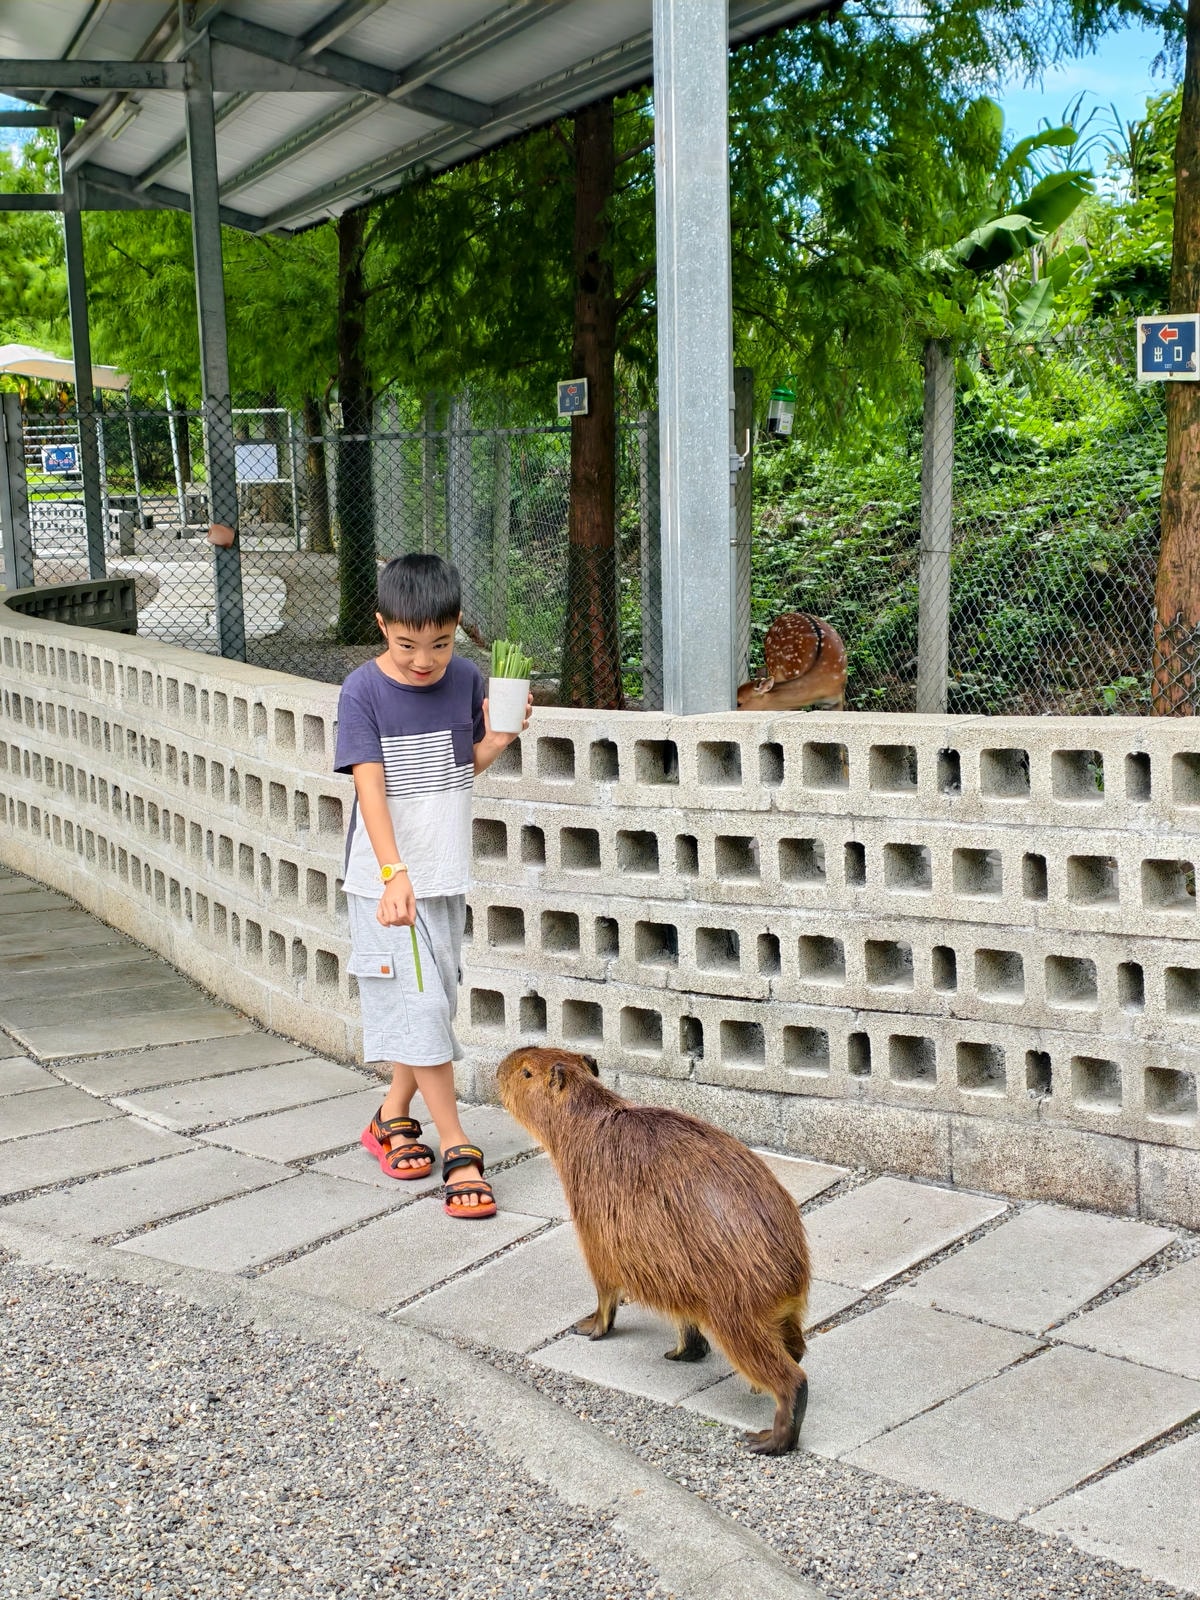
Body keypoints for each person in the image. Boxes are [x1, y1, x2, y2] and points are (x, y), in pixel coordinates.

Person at [333, 554, 530, 1219]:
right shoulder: (362, 690)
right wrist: (394, 873)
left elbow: (459, 765)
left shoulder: (466, 679)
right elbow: (370, 789)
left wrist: (496, 738)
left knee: (431, 1006)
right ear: (381, 625)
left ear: (456, 627)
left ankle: (391, 1118)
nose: (425, 660)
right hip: (386, 881)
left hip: (444, 877)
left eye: (440, 644)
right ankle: (458, 1146)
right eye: (407, 644)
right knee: (422, 1008)